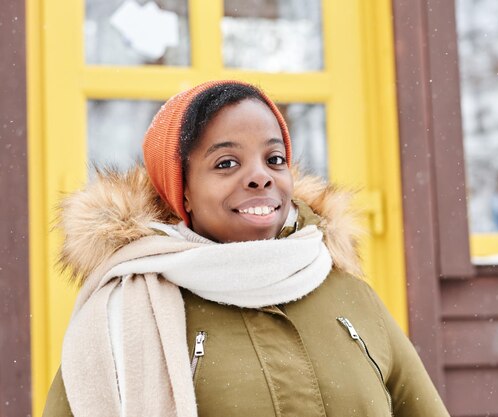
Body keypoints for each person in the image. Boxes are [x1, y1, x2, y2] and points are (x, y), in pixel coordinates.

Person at [43, 80, 450, 417]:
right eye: (226, 164)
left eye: (274, 159)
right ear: (180, 190)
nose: (260, 177)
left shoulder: (349, 294)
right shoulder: (124, 310)